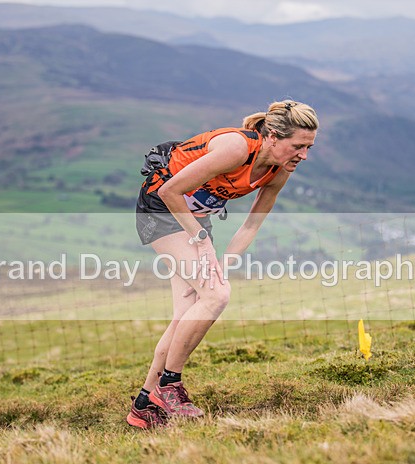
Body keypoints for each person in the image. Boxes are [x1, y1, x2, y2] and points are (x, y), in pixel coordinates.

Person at [127, 99, 319, 429]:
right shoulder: (236, 148)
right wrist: (202, 243)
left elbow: (251, 226)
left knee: (187, 313)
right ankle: (169, 386)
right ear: (273, 136)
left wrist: (223, 263)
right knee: (217, 295)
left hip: (195, 221)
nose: (303, 156)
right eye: (298, 146)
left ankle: (144, 407)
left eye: (309, 147)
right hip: (161, 208)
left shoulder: (277, 171)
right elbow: (171, 192)